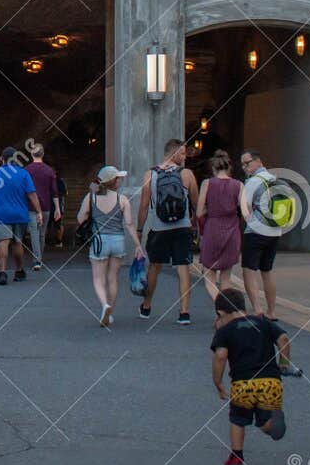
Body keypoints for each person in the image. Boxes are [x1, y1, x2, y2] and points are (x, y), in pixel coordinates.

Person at [209, 286, 291, 465]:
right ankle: (271, 424)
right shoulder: (263, 322)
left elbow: (220, 357)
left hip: (242, 385)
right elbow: (284, 339)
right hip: (270, 382)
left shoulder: (225, 331)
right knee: (265, 421)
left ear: (221, 313)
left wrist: (218, 383)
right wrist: (284, 364)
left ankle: (236, 457)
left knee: (238, 419)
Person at [136, 138, 200, 324]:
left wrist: (140, 229)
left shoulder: (150, 174)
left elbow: (144, 205)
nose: (184, 157)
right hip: (182, 227)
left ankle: (146, 306)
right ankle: (184, 313)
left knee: (154, 266)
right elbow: (196, 203)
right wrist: (195, 224)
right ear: (173, 153)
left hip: (159, 228)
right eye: (182, 153)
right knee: (183, 268)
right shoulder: (187, 174)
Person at [75, 165, 138, 327]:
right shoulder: (122, 199)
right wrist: (138, 245)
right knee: (113, 278)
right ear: (114, 181)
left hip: (99, 241)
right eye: (118, 178)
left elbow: (81, 218)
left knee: (98, 278)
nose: (120, 180)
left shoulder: (91, 197)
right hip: (118, 241)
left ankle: (104, 305)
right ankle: (110, 313)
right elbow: (129, 224)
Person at [0, 145, 42, 286]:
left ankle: (2, 273)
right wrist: (39, 211)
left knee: (3, 242)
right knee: (17, 242)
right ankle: (19, 271)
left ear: (2, 159)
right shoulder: (24, 174)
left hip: (0, 214)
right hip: (19, 214)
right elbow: (32, 194)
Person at [239, 149, 283, 318]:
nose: (244, 167)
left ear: (258, 161)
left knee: (248, 270)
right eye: (242, 164)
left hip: (256, 232)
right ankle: (271, 311)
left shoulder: (253, 181)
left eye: (247, 163)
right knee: (267, 271)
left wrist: (250, 223)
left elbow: (245, 208)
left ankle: (257, 309)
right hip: (275, 231)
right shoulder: (274, 179)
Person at [197, 150, 242, 291]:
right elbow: (245, 210)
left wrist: (211, 208)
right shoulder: (238, 185)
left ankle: (218, 303)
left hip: (212, 230)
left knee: (209, 277)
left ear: (213, 168)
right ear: (229, 167)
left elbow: (199, 213)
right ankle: (225, 304)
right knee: (226, 279)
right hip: (232, 232)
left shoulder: (207, 183)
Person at [23, 140, 58, 271]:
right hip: (46, 205)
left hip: (30, 206)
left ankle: (37, 260)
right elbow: (54, 191)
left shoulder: (26, 170)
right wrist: (58, 208)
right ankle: (39, 258)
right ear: (43, 154)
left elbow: (23, 189)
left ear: (32, 154)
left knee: (34, 232)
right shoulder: (49, 171)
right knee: (42, 233)